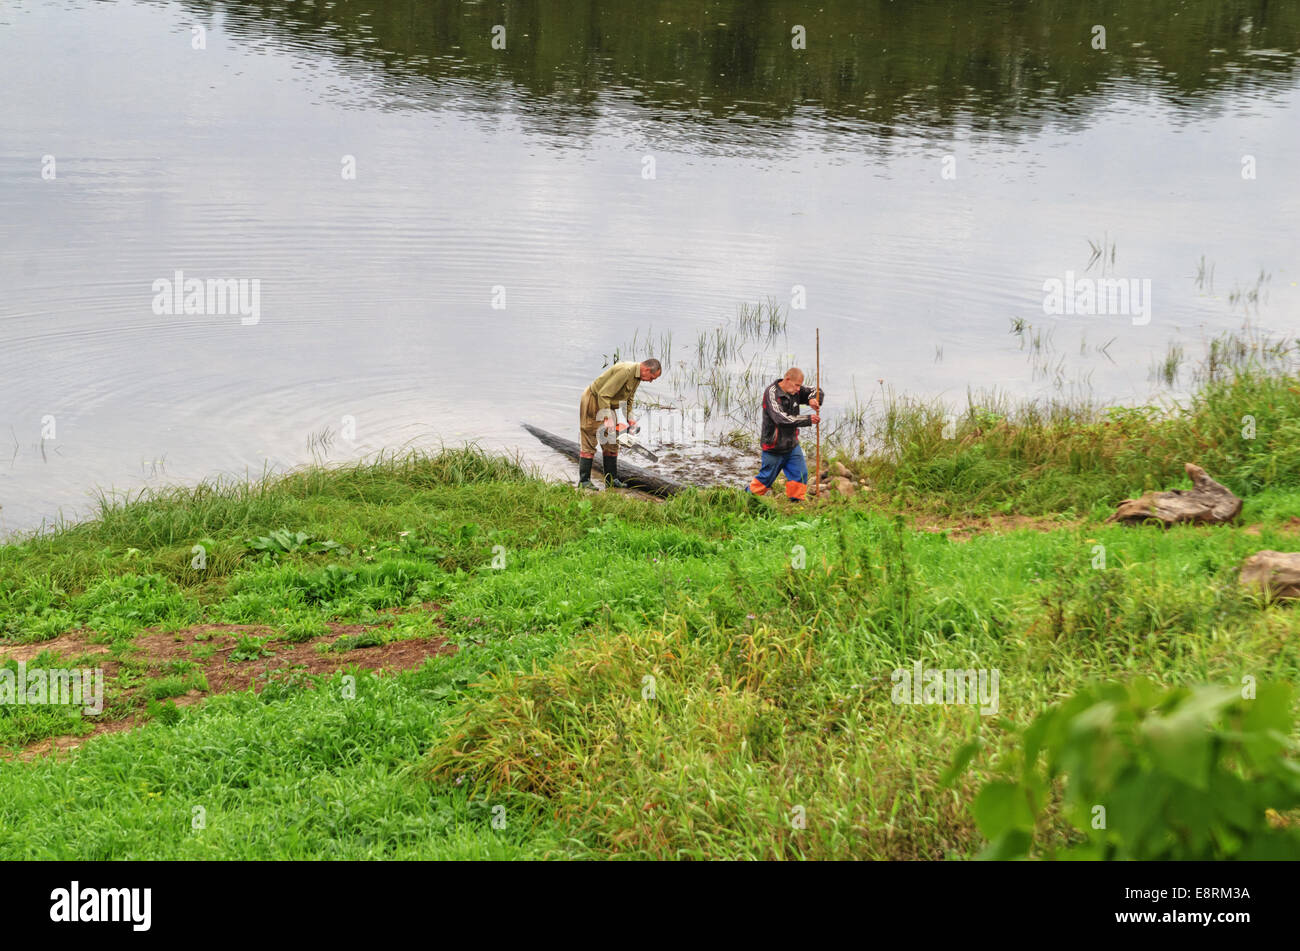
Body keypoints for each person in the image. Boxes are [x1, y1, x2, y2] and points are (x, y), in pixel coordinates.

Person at [579, 358, 662, 489]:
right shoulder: (625, 371)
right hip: (594, 400)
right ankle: (584, 482)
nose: (651, 381)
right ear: (646, 369)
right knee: (590, 440)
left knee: (612, 443)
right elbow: (603, 394)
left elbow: (629, 398)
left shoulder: (638, 377)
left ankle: (611, 480)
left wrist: (630, 418)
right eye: (652, 377)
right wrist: (607, 419)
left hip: (608, 404)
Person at [746, 368, 823, 501]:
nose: (799, 389)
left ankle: (796, 504)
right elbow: (781, 419)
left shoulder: (795, 391)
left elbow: (817, 390)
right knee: (765, 480)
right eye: (796, 385)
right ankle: (746, 498)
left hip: (792, 445)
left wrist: (811, 400)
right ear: (787, 380)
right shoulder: (771, 393)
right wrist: (807, 419)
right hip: (773, 447)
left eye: (800, 385)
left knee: (801, 475)